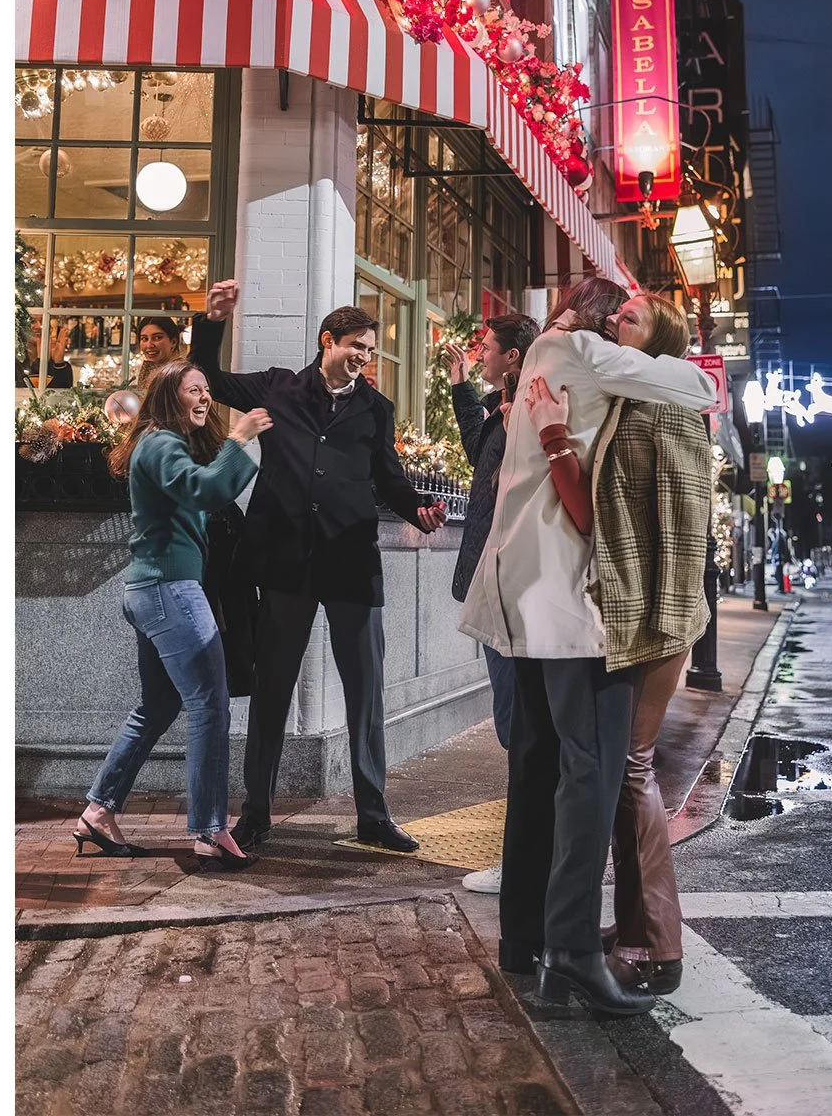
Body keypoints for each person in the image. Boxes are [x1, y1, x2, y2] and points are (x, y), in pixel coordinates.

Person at [458, 276, 716, 1017]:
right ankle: (570, 950)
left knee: (539, 769)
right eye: (620, 311)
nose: (617, 323)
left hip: (523, 597)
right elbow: (696, 382)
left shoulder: (544, 359)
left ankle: (525, 942)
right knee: (593, 775)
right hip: (572, 601)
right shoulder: (575, 351)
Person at [193, 284, 447, 854]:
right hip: (285, 562)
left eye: (371, 350)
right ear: (327, 341)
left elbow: (390, 480)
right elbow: (209, 376)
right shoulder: (278, 387)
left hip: (352, 561)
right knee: (272, 690)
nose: (364, 356)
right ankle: (256, 812)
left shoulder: (375, 410)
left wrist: (419, 510)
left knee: (366, 692)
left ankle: (373, 814)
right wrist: (211, 322)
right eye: (357, 345)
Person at [522, 292, 711, 998]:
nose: (613, 321)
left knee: (628, 769)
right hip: (653, 612)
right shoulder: (641, 405)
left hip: (651, 616)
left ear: (656, 343)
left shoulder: (656, 413)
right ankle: (640, 931)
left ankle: (656, 945)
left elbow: (598, 520)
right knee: (627, 770)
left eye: (629, 319)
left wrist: (553, 436)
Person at [72, 362, 270, 867]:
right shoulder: (161, 445)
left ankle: (98, 811)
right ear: (167, 397)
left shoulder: (163, 444)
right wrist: (241, 440)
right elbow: (206, 490)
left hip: (154, 590)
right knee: (211, 705)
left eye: (207, 390)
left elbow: (199, 490)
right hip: (169, 591)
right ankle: (208, 830)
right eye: (193, 391)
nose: (205, 398)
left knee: (157, 708)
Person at [442, 312, 540, 894]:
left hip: (512, 577)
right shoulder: (503, 402)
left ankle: (523, 861)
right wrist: (459, 387)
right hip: (494, 572)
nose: (480, 354)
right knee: (513, 723)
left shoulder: (532, 404)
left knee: (517, 723)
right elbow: (479, 450)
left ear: (513, 355)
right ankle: (526, 855)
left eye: (487, 349)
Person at [132, 314, 184, 392]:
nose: (149, 345)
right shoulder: (150, 369)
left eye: (157, 338)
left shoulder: (179, 374)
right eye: (144, 339)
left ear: (173, 342)